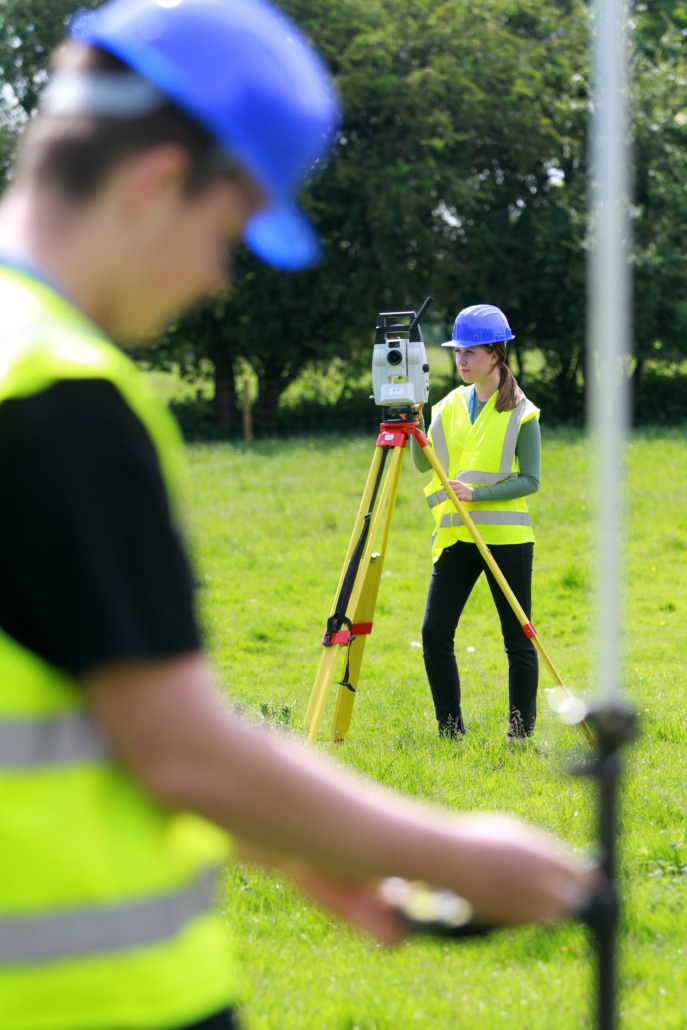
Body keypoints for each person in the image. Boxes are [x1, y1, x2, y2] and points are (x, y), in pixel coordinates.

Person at [0, 3, 593, 1029]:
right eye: (230, 232)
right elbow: (181, 746)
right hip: (94, 998)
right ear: (155, 186)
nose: (219, 276)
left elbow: (85, 717)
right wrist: (453, 851)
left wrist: (294, 840)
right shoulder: (62, 403)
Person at [411, 304, 541, 740]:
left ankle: (520, 735)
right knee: (434, 634)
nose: (461, 360)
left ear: (495, 355)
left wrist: (478, 494)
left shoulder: (522, 411)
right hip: (457, 537)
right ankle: (451, 731)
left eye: (470, 352)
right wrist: (414, 422)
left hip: (507, 539)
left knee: (518, 641)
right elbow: (420, 463)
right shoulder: (447, 405)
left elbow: (531, 480)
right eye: (458, 352)